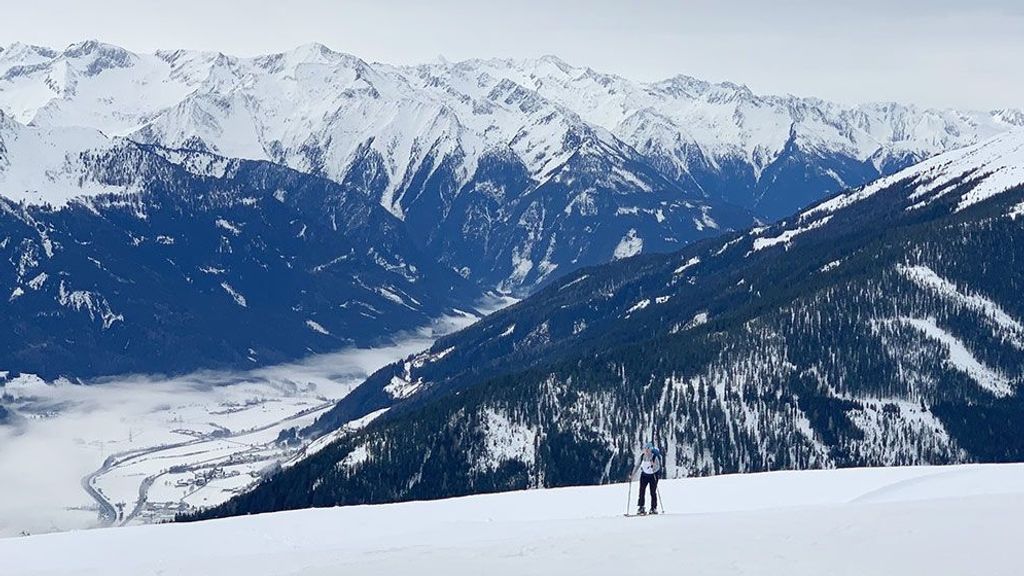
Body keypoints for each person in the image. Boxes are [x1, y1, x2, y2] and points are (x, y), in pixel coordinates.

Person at [629, 441, 662, 515]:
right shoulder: (642, 457)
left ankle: (653, 508)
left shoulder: (654, 457)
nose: (646, 450)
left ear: (651, 449)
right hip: (644, 475)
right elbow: (637, 465)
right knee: (641, 491)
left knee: (652, 492)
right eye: (645, 449)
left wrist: (653, 466)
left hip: (653, 475)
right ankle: (641, 507)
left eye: (648, 449)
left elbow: (658, 467)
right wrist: (632, 474)